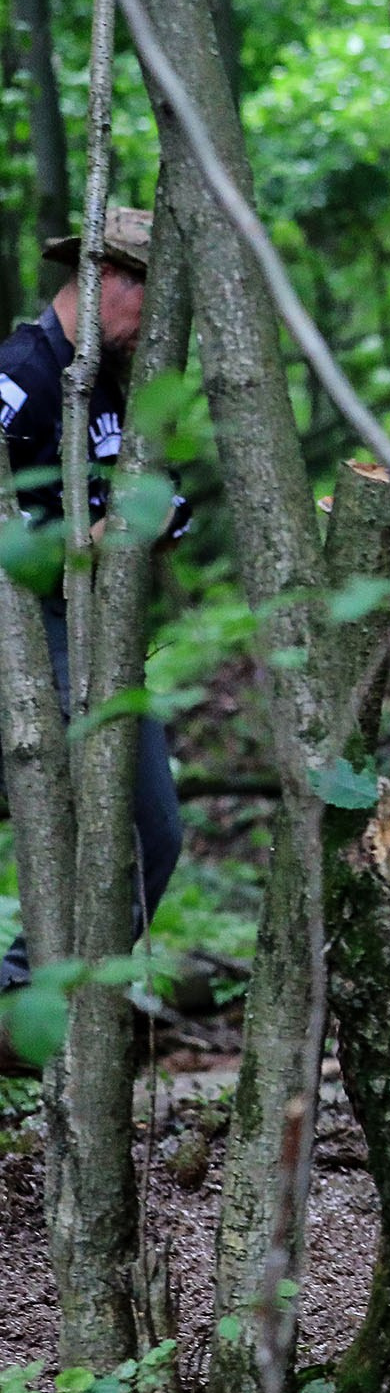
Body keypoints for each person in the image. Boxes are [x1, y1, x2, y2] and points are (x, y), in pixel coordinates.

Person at [0, 208, 184, 1053]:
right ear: (113, 278)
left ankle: (37, 998)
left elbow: (157, 506)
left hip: (107, 642)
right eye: (149, 292)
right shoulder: (23, 376)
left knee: (151, 834)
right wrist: (83, 546)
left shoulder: (120, 386)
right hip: (34, 635)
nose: (155, 319)